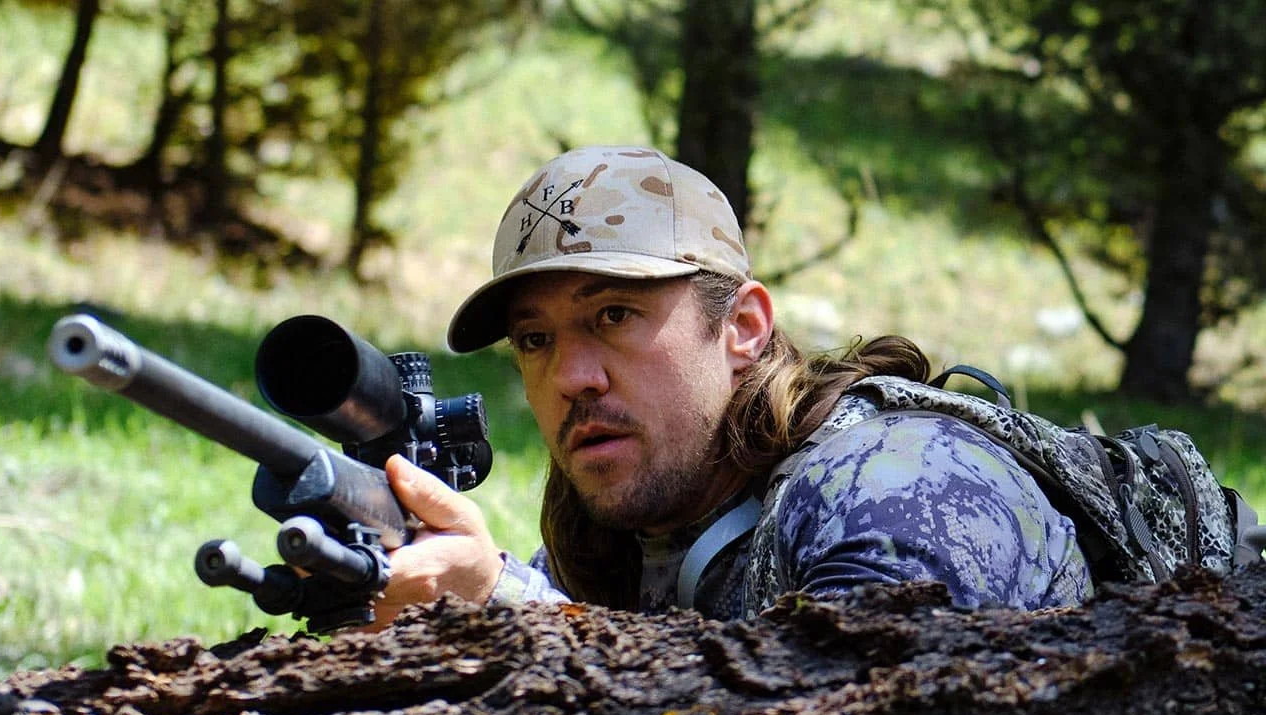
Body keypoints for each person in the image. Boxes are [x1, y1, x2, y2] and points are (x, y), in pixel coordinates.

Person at [367, 145, 1092, 627]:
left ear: (743, 326)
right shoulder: (625, 526)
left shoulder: (901, 482)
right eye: (535, 340)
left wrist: (511, 618)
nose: (572, 377)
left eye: (614, 314)